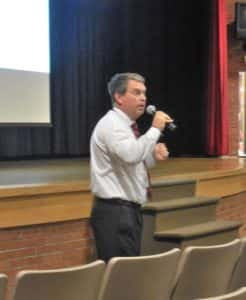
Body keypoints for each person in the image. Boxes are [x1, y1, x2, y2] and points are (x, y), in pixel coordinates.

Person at [90, 72, 172, 262]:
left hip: (127, 210)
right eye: (136, 92)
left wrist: (152, 156)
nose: (143, 98)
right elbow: (131, 155)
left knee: (126, 271)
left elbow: (132, 164)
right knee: (121, 275)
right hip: (116, 211)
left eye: (144, 93)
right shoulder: (112, 124)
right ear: (118, 97)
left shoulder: (126, 126)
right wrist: (155, 130)